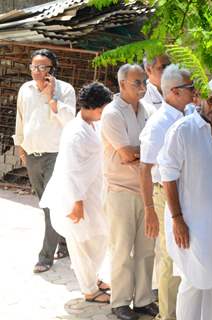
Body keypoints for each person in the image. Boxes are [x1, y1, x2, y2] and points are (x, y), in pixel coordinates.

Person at [159, 77, 212, 319]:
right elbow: (168, 176)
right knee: (193, 280)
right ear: (200, 98)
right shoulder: (183, 130)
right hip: (189, 221)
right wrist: (177, 219)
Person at [39, 82, 113, 303]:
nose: (104, 114)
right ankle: (89, 289)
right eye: (103, 109)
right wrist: (77, 202)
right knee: (80, 241)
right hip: (75, 196)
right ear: (91, 107)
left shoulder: (95, 125)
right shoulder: (75, 131)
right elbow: (71, 170)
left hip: (94, 192)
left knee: (99, 237)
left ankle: (94, 277)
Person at [101, 64, 158, 320]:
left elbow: (151, 150)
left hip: (146, 189)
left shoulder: (149, 109)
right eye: (137, 82)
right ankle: (120, 302)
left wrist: (140, 155)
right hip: (120, 190)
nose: (143, 86)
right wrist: (144, 154)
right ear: (122, 83)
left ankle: (144, 299)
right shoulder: (112, 113)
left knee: (147, 249)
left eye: (144, 81)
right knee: (122, 249)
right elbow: (125, 153)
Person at [139, 64, 194, 319]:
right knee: (169, 255)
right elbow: (145, 169)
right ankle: (167, 314)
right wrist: (149, 208)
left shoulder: (189, 114)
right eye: (189, 88)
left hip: (187, 192)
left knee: (185, 253)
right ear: (174, 91)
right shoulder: (159, 124)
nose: (194, 92)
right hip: (164, 193)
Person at [13, 48, 76, 273]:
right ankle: (65, 243)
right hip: (32, 154)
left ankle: (45, 257)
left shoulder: (65, 90)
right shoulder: (25, 89)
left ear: (52, 70)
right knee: (44, 204)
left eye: (42, 67)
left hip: (56, 155)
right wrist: (20, 145)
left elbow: (70, 120)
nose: (37, 72)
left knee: (51, 204)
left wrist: (51, 98)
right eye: (34, 67)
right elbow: (21, 118)